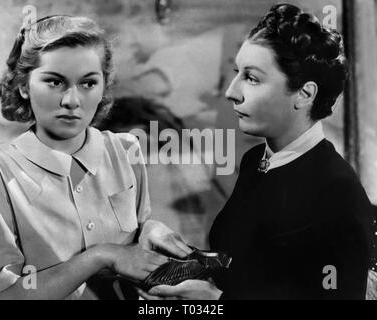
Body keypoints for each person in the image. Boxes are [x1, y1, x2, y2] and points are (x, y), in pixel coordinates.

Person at [138, 3, 373, 300]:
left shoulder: (337, 192)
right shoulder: (256, 161)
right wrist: (181, 267)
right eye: (237, 72)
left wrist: (216, 301)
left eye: (252, 78)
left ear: (305, 94)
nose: (231, 91)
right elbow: (250, 263)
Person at [0, 15, 191, 300]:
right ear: (23, 86)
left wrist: (149, 230)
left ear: (103, 86)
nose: (72, 101)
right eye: (55, 82)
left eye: (88, 83)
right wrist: (102, 256)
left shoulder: (126, 150)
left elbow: (134, 245)